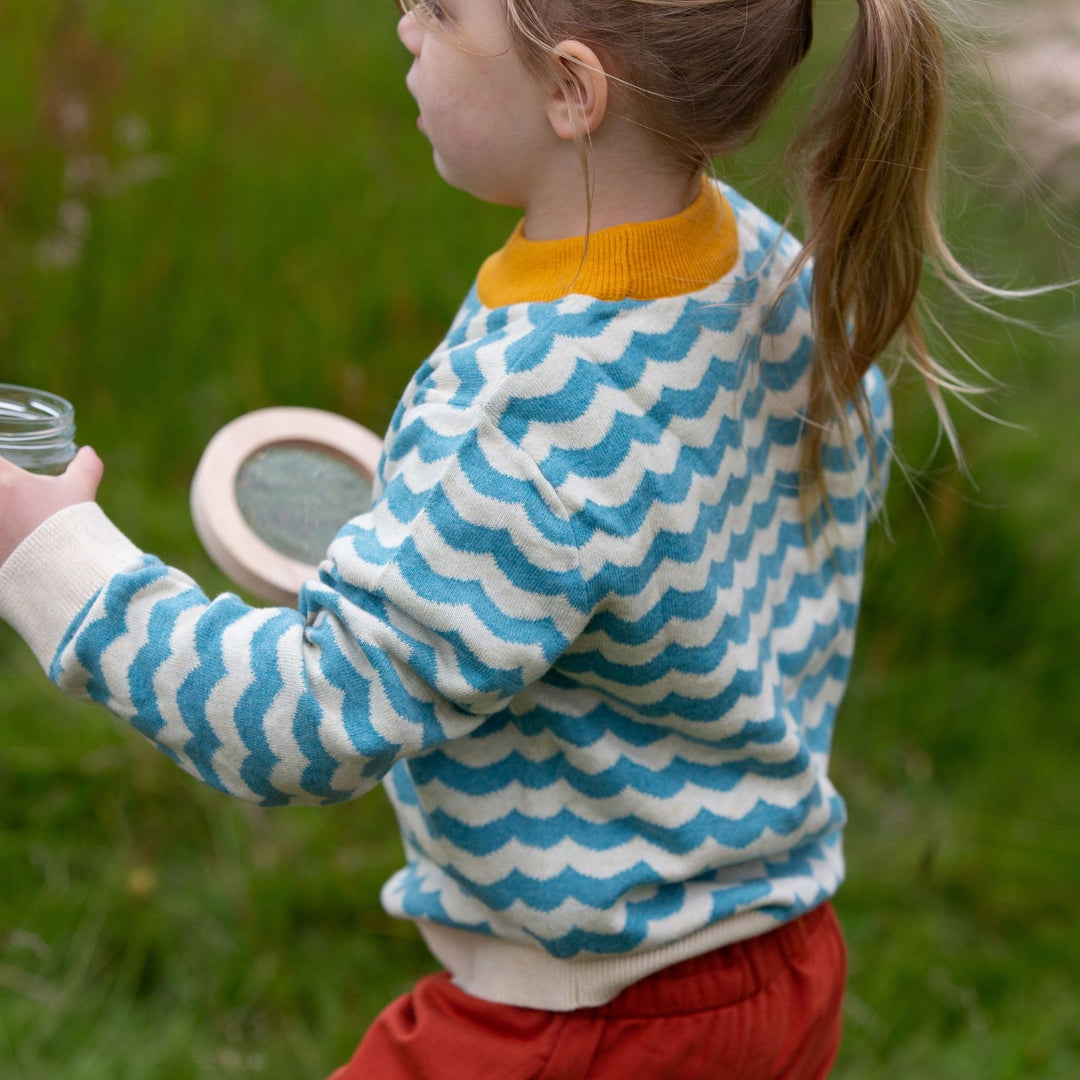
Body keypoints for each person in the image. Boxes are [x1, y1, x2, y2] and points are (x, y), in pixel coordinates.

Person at [0, 0, 965, 1075]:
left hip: (589, 1023)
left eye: (441, 10)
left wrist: (51, 558)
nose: (403, 24)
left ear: (571, 91)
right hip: (781, 968)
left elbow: (307, 717)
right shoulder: (765, 271)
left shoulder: (533, 409)